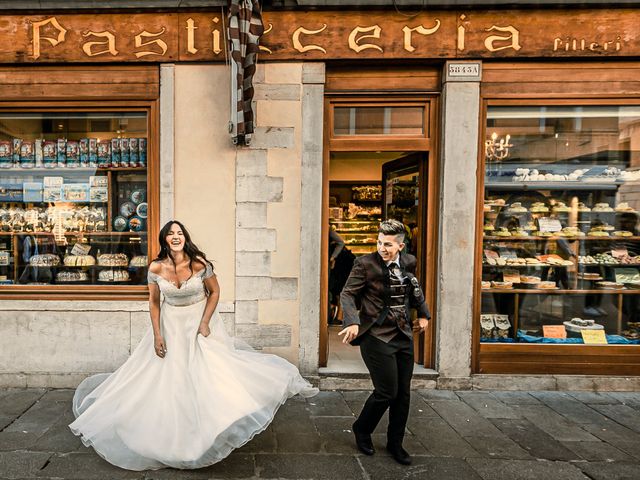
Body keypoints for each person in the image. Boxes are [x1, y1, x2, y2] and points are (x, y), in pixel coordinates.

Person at [69, 220, 318, 471]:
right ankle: (172, 437)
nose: (175, 237)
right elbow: (154, 302)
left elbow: (215, 292)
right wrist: (157, 335)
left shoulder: (199, 263)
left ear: (185, 237)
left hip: (197, 322)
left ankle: (212, 427)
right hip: (170, 324)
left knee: (208, 373)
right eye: (170, 234)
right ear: (164, 239)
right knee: (171, 378)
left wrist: (205, 322)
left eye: (179, 233)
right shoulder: (155, 267)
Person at [339, 219, 430, 466]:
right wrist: (352, 321)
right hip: (376, 335)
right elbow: (347, 293)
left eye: (388, 244)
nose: (382, 248)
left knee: (403, 394)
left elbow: (414, 288)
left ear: (400, 246)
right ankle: (362, 428)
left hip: (403, 335)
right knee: (386, 392)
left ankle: (395, 443)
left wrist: (423, 314)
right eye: (379, 242)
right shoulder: (365, 264)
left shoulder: (410, 262)